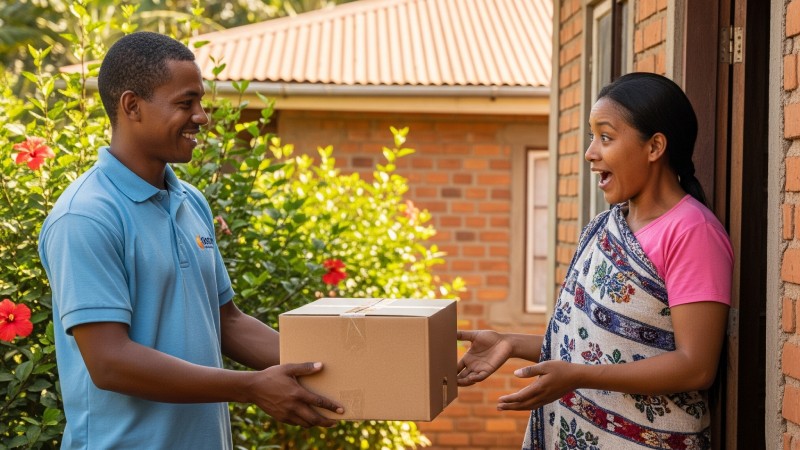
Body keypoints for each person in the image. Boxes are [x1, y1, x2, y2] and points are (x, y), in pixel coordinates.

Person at [38, 31, 343, 449]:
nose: (202, 116)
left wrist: (352, 368)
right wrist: (250, 387)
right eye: (186, 103)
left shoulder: (189, 201)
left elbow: (228, 323)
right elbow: (109, 362)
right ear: (132, 106)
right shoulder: (86, 215)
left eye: (200, 101)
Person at [457, 72, 732, 449]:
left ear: (654, 147)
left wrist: (578, 376)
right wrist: (508, 342)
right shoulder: (607, 226)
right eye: (592, 137)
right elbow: (596, 346)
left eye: (605, 137)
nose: (590, 152)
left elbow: (696, 366)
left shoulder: (691, 232)